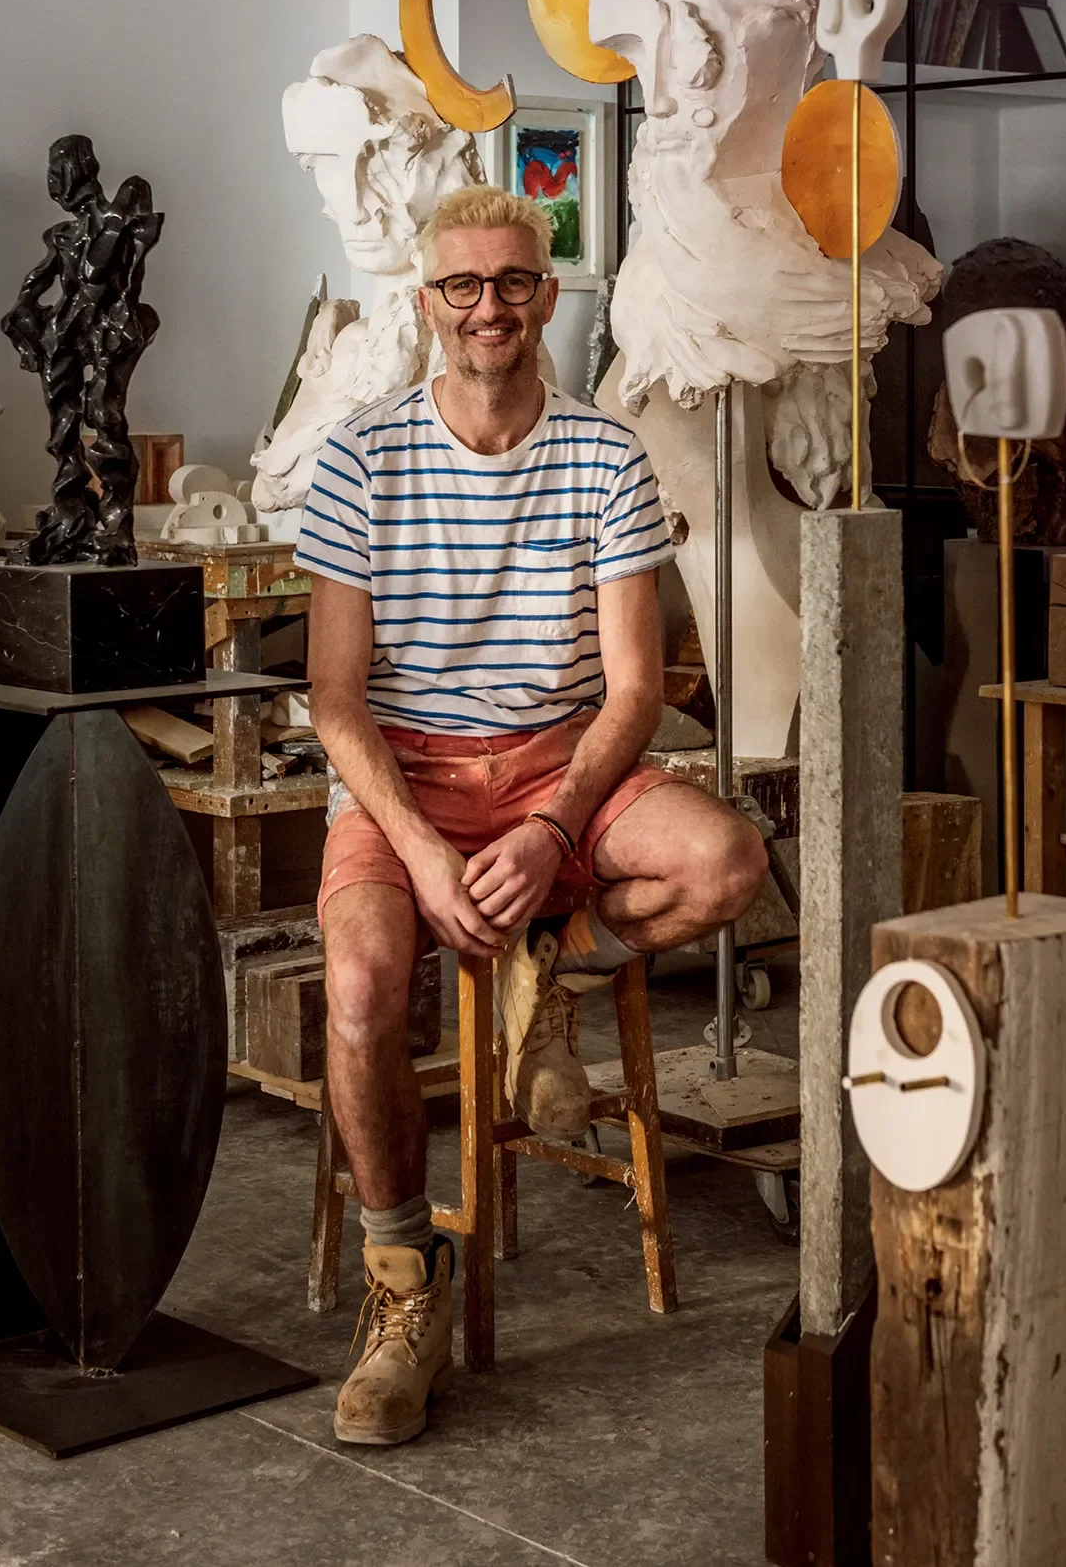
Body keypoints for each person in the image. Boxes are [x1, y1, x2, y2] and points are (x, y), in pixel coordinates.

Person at [297, 184, 768, 1449]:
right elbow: (334, 701)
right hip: (406, 773)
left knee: (728, 861)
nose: (489, 306)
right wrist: (423, 847)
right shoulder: (359, 458)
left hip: (561, 765)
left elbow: (631, 693)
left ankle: (549, 963)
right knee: (357, 989)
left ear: (547, 295)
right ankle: (405, 1287)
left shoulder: (605, 454)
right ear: (428, 302)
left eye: (513, 282)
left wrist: (552, 831)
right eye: (464, 285)